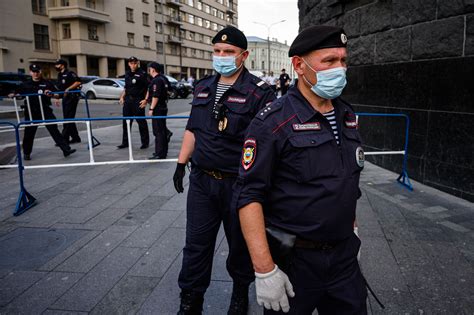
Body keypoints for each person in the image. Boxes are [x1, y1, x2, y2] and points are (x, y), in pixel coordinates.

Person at [235, 25, 367, 314]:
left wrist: (353, 230)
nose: (340, 69)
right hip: (295, 262)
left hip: (344, 258)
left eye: (343, 61)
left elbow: (346, 178)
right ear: (299, 65)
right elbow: (248, 196)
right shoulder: (272, 122)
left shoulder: (347, 114)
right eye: (329, 61)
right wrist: (264, 270)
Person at [172, 26, 276, 315]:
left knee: (240, 246)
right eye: (217, 51)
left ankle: (240, 295)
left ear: (243, 55)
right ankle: (191, 301)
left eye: (228, 52)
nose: (221, 56)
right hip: (203, 181)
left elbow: (265, 144)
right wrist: (181, 163)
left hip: (239, 185)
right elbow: (193, 128)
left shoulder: (259, 92)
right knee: (195, 245)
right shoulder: (203, 87)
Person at [10, 64, 76, 160]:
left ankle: (66, 150)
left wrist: (51, 94)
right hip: (31, 111)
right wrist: (14, 95)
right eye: (34, 71)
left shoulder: (47, 83)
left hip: (45, 110)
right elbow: (19, 95)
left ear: (40, 72)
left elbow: (58, 95)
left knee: (54, 130)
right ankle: (26, 153)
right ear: (30, 72)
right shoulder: (26, 84)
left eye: (37, 71)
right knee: (29, 133)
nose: (36, 74)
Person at [117, 56, 150, 149]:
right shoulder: (127, 74)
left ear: (137, 63)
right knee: (126, 122)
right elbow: (126, 88)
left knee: (141, 122)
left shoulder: (142, 73)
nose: (133, 65)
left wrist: (146, 100)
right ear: (129, 64)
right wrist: (122, 97)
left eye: (135, 63)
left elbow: (148, 88)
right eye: (131, 63)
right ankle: (125, 142)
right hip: (128, 101)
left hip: (138, 100)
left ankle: (145, 142)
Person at [54, 59, 82, 144]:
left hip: (72, 97)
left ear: (62, 65)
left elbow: (78, 82)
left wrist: (69, 88)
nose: (56, 66)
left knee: (68, 118)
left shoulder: (70, 73)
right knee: (68, 117)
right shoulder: (60, 75)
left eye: (57, 65)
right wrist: (57, 97)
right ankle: (76, 137)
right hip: (65, 98)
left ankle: (64, 139)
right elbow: (60, 88)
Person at [146, 62, 169, 160]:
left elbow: (156, 96)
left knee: (158, 132)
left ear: (153, 69)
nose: (149, 71)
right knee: (162, 131)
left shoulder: (156, 80)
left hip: (158, 108)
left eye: (149, 69)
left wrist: (151, 108)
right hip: (163, 106)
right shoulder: (163, 78)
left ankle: (159, 153)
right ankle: (162, 152)